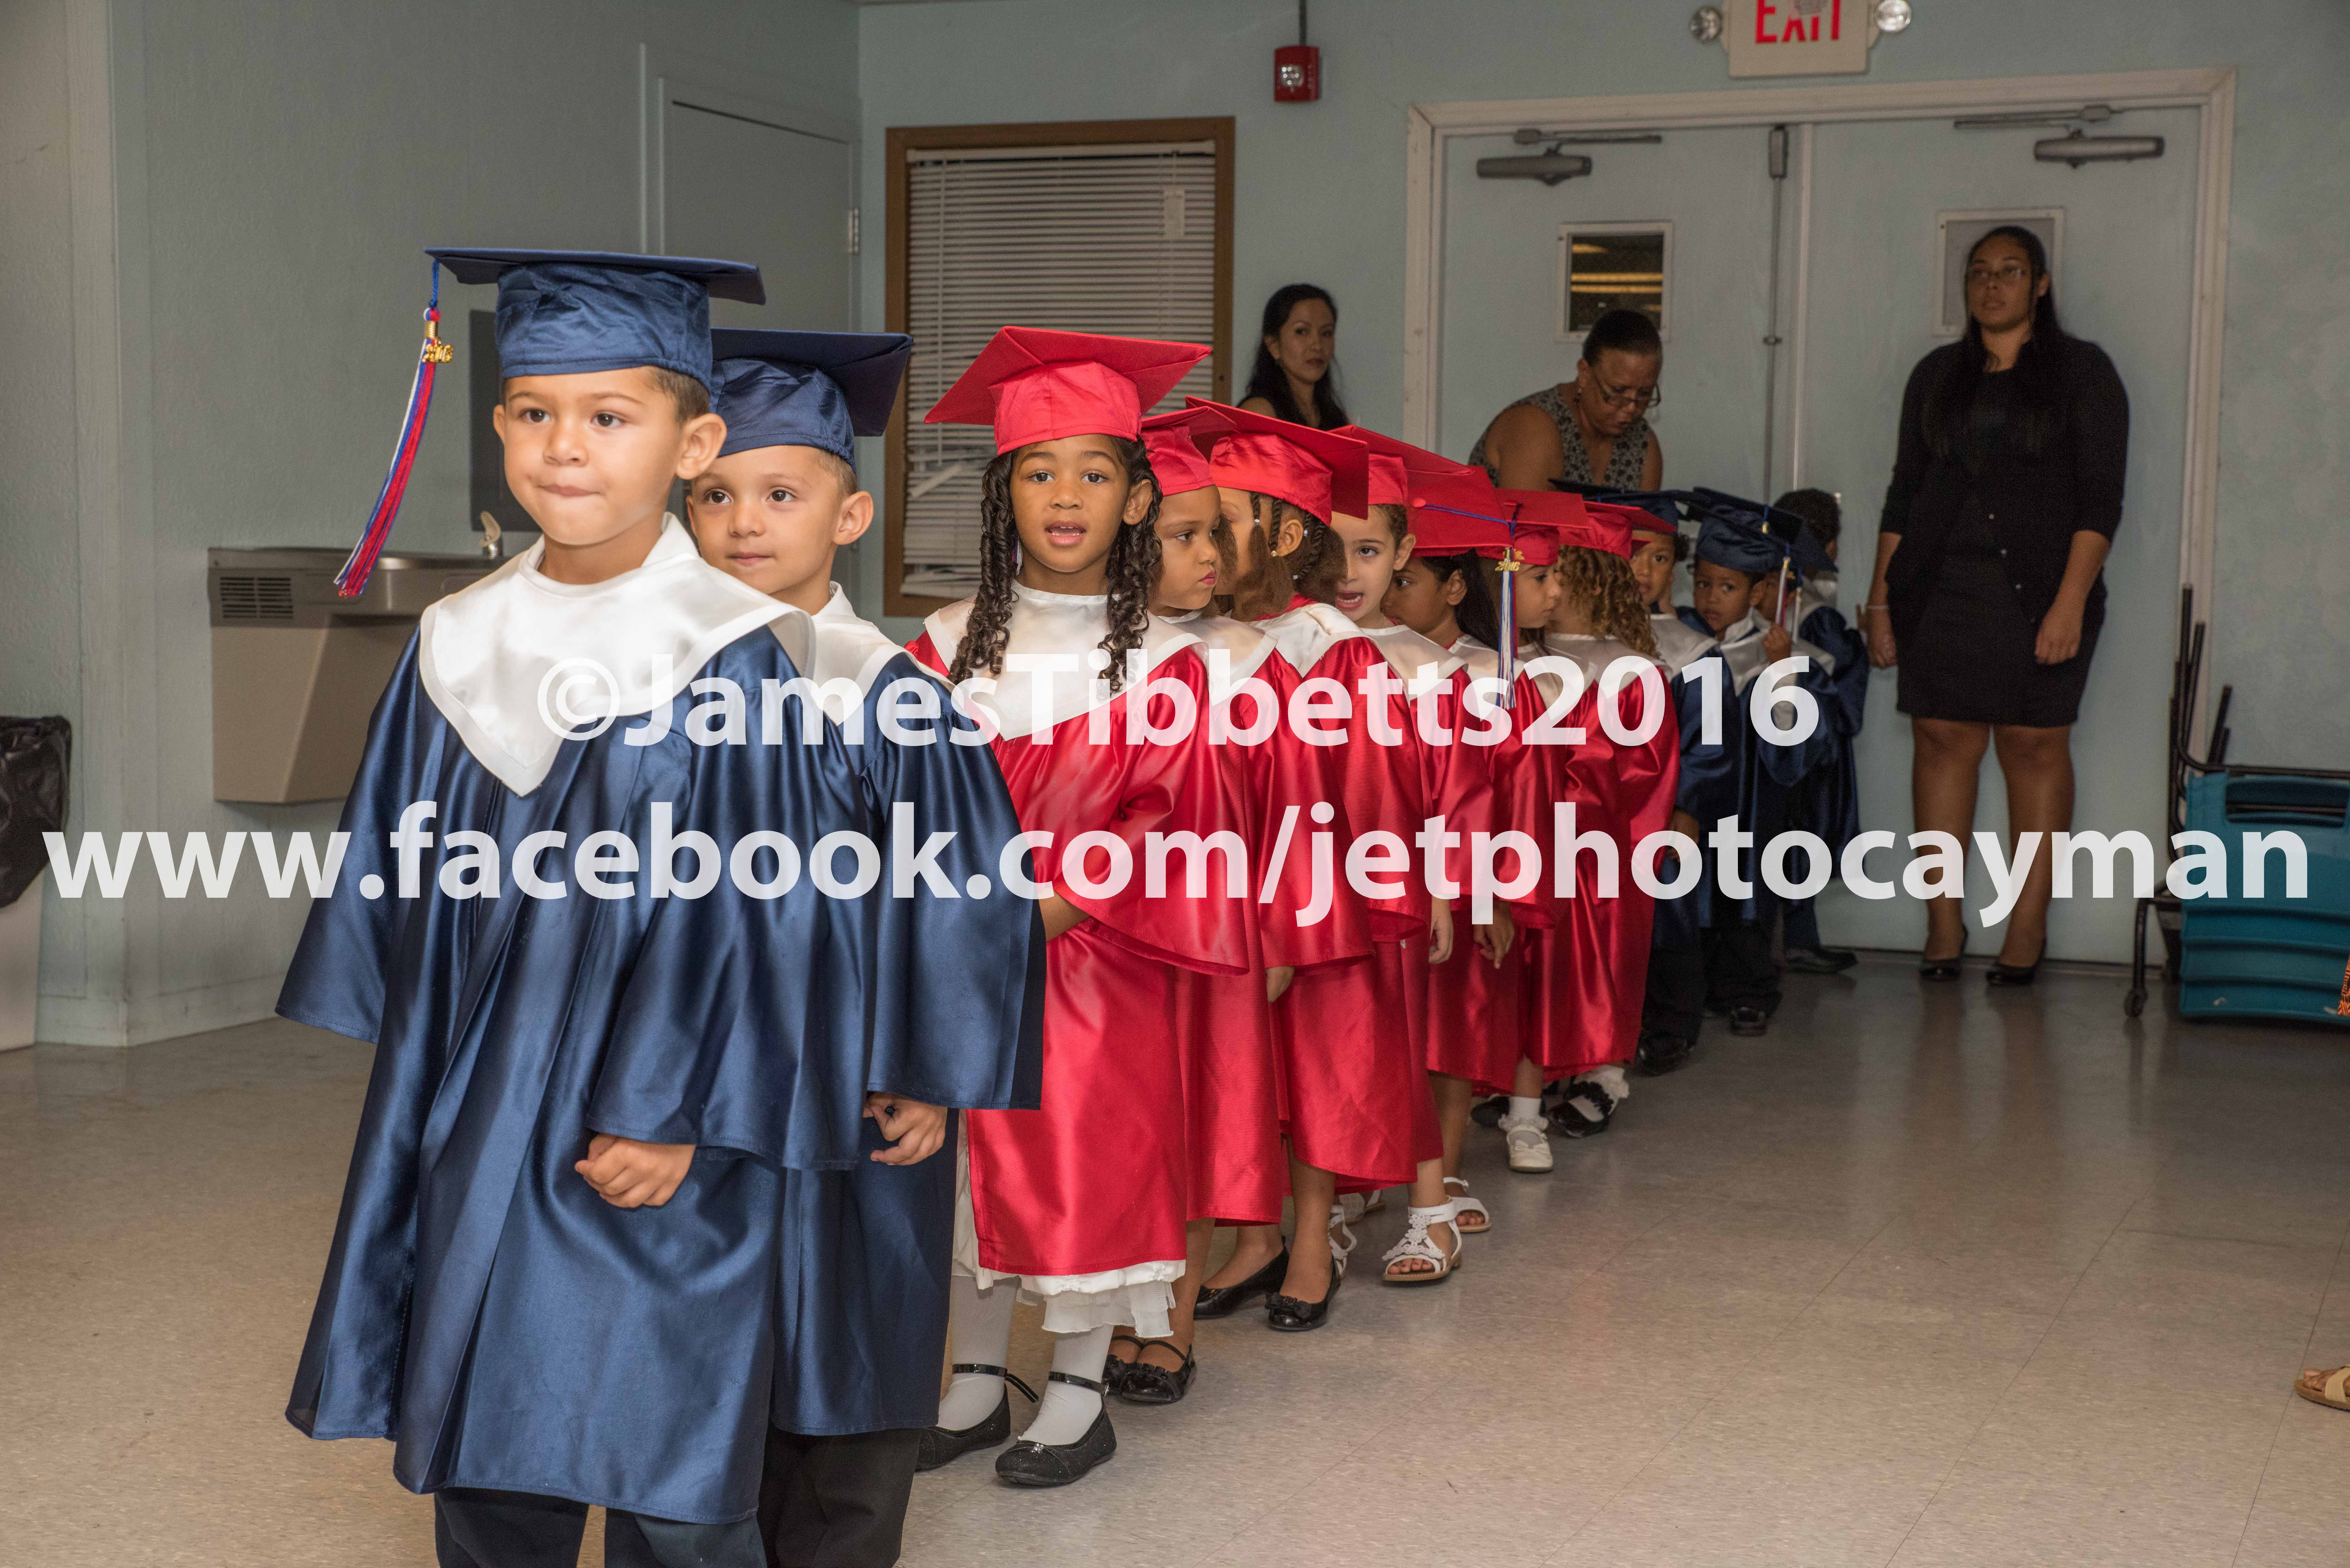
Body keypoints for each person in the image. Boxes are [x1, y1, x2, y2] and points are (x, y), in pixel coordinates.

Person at [279, 250, 1040, 1567]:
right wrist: (422, 1062)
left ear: (684, 442)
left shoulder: (737, 658)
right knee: (491, 1416)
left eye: (607, 415)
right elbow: (401, 869)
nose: (565, 444)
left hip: (662, 1110)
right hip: (488, 1102)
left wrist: (676, 1103)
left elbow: (761, 912)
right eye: (533, 412)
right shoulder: (455, 638)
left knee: (672, 1440)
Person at [687, 327, 1042, 1567]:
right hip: (696, 1091)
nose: (745, 521)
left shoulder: (893, 695)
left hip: (861, 1088)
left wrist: (933, 1070)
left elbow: (969, 897)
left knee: (852, 1342)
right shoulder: (647, 690)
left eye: (780, 494)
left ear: (850, 515)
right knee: (703, 1362)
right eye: (714, 495)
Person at [906, 327, 1248, 1488]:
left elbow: (1168, 820)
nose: (1065, 495)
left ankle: (1077, 1390)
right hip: (959, 951)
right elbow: (894, 796)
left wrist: (1037, 914)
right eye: (1038, 471)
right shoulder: (943, 646)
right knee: (962, 1164)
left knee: (1085, 1165)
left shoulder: (1166, 663)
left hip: (1098, 960)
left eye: (1094, 472)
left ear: (1136, 498)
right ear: (1001, 492)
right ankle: (970, 1381)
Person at [1863, 224, 2128, 984]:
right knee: (1941, 739)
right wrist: (1880, 601)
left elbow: (2100, 501)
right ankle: (1942, 926)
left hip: (2043, 593)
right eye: (1979, 271)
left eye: (2010, 271)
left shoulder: (2082, 373)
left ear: (2039, 284)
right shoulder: (1935, 376)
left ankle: (2025, 928)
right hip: (1938, 590)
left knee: (2032, 745)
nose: (1992, 284)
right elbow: (1903, 493)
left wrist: (2069, 603)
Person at [1527, 491, 1673, 1133]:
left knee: (1601, 961)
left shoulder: (1633, 672)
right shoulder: (1518, 659)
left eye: (1557, 570)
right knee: (1538, 960)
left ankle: (1603, 1072)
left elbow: (1645, 773)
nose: (1549, 586)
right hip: (1533, 842)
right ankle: (1536, 1072)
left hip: (1603, 848)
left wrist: (1573, 805)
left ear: (1594, 579)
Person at [1679, 497, 1839, 1038]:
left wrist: (1781, 673)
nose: (1711, 597)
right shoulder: (1682, 644)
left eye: (1727, 587)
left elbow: (1796, 745)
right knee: (1693, 896)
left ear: (1758, 593)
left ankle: (1749, 994)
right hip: (1697, 803)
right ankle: (1699, 990)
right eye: (1703, 583)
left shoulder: (1778, 654)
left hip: (1751, 807)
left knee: (1745, 899)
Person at [1767, 487, 1867, 976]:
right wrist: (1858, 641)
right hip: (1810, 746)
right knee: (1799, 836)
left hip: (1777, 737)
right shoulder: (1817, 614)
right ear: (1830, 548)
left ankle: (1793, 938)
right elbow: (1840, 668)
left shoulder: (1771, 597)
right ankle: (1797, 940)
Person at [1469, 307, 1665, 492]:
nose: (1631, 408)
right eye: (1617, 392)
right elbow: (1529, 518)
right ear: (1585, 374)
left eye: (1645, 394)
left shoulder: (1643, 442)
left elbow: (1647, 518)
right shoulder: (1535, 427)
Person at [1238, 283, 1349, 429]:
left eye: (1326, 333)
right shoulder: (1260, 412)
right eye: (1302, 332)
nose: (1318, 345)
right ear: (1274, 345)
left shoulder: (1335, 418)